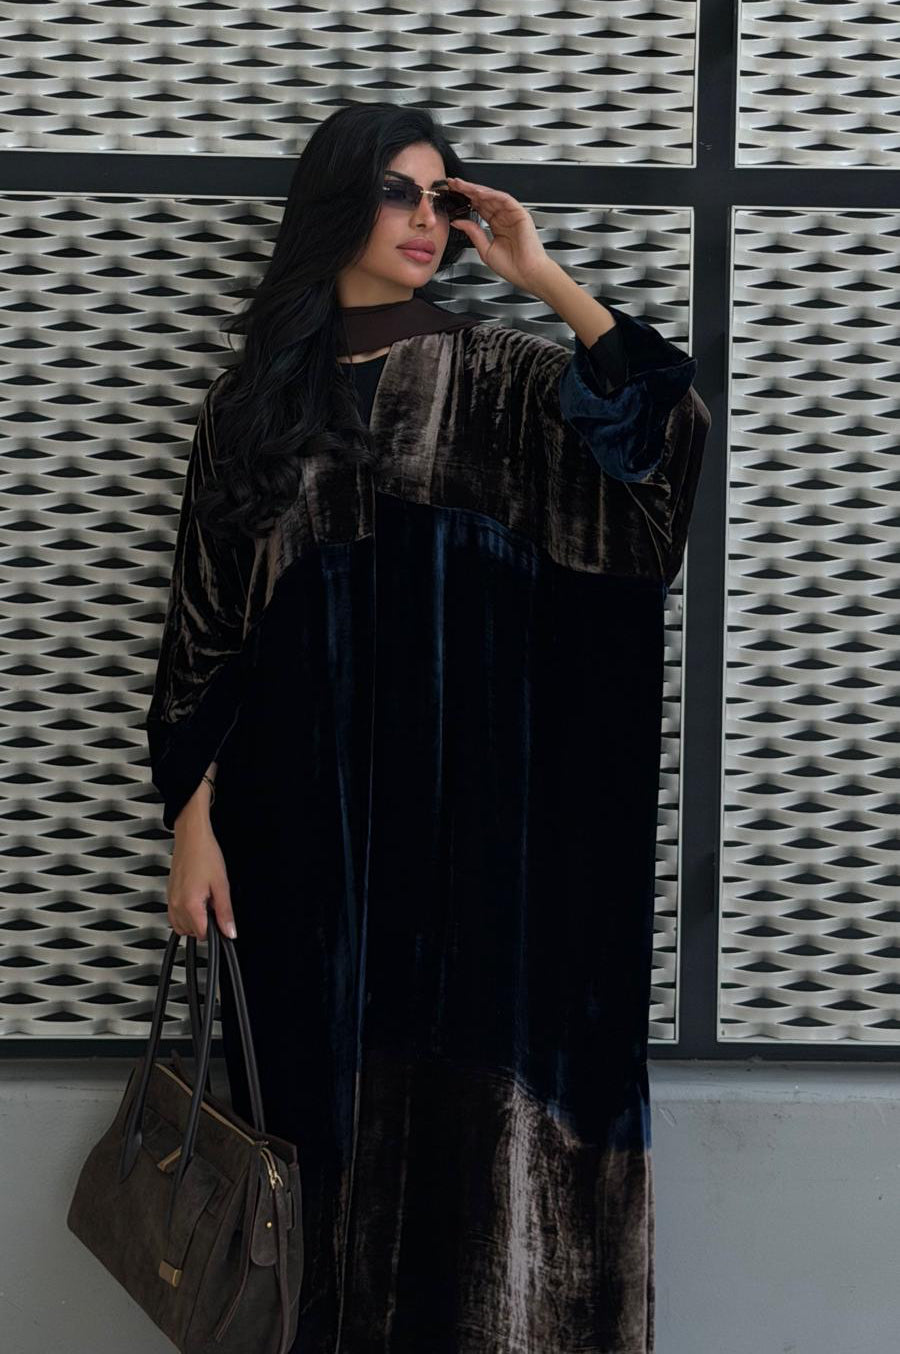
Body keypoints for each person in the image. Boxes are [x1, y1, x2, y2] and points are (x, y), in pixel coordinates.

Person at [146, 101, 710, 1354]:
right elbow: (204, 635)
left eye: (439, 197)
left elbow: (663, 445)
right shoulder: (251, 408)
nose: (423, 219)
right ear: (334, 206)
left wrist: (538, 273)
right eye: (396, 192)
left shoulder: (503, 379)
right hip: (303, 851)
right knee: (315, 1151)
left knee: (476, 1158)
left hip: (483, 850)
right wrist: (193, 829)